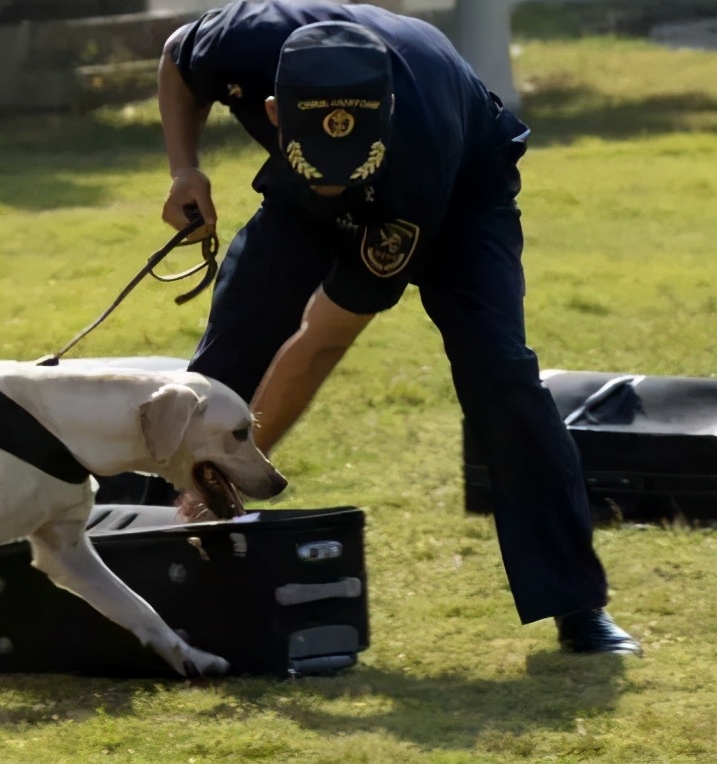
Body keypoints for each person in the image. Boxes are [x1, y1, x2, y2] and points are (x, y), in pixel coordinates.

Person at [156, 0, 640, 655]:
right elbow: (177, 59)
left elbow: (321, 341)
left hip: (460, 191)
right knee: (231, 352)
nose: (337, 190)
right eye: (320, 162)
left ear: (382, 115)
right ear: (275, 113)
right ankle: (141, 552)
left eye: (346, 167)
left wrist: (236, 468)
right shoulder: (242, 38)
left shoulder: (416, 160)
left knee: (498, 374)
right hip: (304, 192)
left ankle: (576, 605)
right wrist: (184, 168)